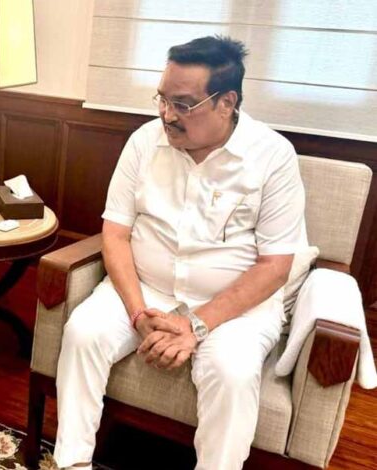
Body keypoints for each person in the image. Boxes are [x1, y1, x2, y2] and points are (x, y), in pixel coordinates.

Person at [54, 36, 306, 470]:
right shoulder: (143, 142)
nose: (167, 115)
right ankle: (71, 464)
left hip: (235, 310)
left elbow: (275, 266)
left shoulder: (273, 157)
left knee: (232, 373)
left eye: (183, 105)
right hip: (146, 289)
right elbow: (115, 234)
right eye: (162, 99)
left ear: (226, 103)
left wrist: (195, 324)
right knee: (83, 333)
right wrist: (137, 313)